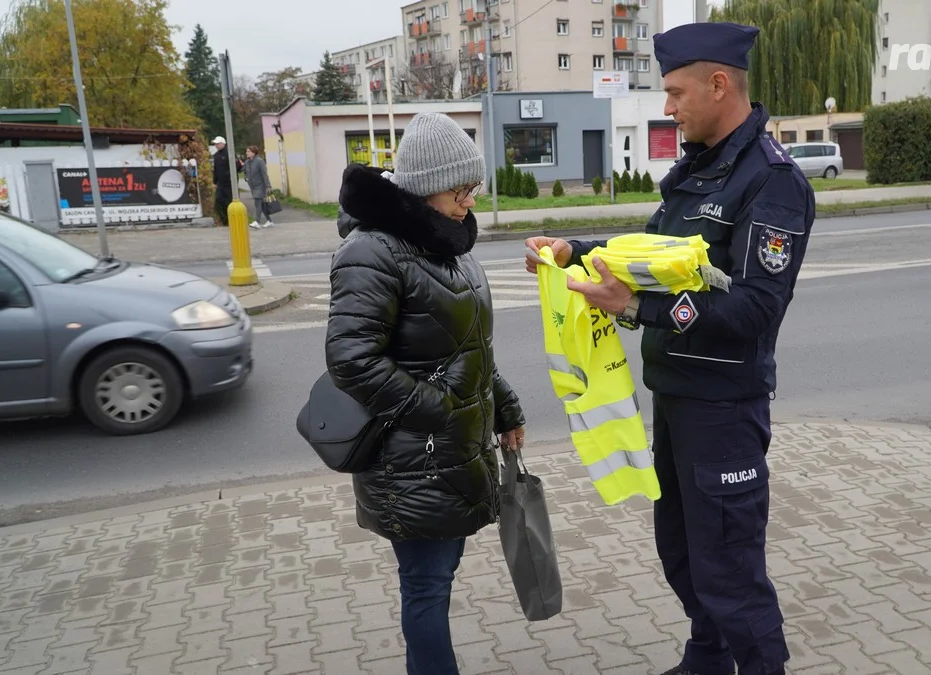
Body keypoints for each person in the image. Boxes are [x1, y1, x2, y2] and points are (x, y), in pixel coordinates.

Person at [524, 21, 814, 675]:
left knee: (732, 577)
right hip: (678, 403)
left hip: (725, 411)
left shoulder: (772, 183)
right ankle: (706, 658)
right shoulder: (698, 173)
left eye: (677, 91)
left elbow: (756, 310)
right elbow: (643, 254)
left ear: (719, 85)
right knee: (683, 554)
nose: (668, 104)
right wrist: (575, 250)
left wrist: (636, 307)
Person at [326, 112, 527, 675]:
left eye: (474, 187)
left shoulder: (448, 243)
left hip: (449, 451)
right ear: (423, 185)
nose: (470, 200)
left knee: (435, 579)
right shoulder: (372, 251)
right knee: (426, 588)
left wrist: (502, 406)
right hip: (409, 459)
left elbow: (466, 348)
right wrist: (440, 412)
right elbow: (351, 360)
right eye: (460, 188)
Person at [210, 136, 242, 226]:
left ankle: (233, 220)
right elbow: (215, 170)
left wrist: (230, 176)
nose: (216, 145)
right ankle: (225, 220)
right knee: (219, 201)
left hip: (230, 183)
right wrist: (214, 182)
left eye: (218, 143)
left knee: (230, 202)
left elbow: (238, 166)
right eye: (215, 144)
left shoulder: (230, 153)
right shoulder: (216, 156)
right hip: (221, 183)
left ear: (223, 143)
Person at [243, 145, 274, 229]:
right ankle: (269, 221)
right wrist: (246, 177)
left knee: (257, 202)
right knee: (262, 204)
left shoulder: (260, 161)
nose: (247, 153)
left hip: (260, 185)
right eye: (247, 151)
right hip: (252, 186)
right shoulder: (247, 162)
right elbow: (245, 171)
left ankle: (257, 221)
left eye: (248, 151)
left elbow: (264, 174)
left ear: (253, 152)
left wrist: (268, 185)